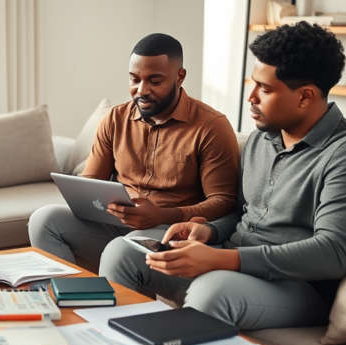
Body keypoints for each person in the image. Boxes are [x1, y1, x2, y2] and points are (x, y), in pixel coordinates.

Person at [100, 22, 346, 330]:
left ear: (305, 96)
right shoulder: (261, 139)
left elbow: (333, 253)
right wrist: (208, 231)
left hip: (298, 285)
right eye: (253, 84)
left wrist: (222, 260)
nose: (251, 97)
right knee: (124, 251)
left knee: (211, 291)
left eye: (265, 89)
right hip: (233, 258)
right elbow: (243, 213)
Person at [29, 33, 240, 267]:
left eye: (155, 81)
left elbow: (223, 201)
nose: (141, 90)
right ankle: (72, 288)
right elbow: (90, 183)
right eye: (134, 79)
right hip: (115, 223)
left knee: (121, 249)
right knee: (43, 219)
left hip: (169, 229)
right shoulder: (115, 119)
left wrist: (163, 215)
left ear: (179, 77)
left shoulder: (211, 126)